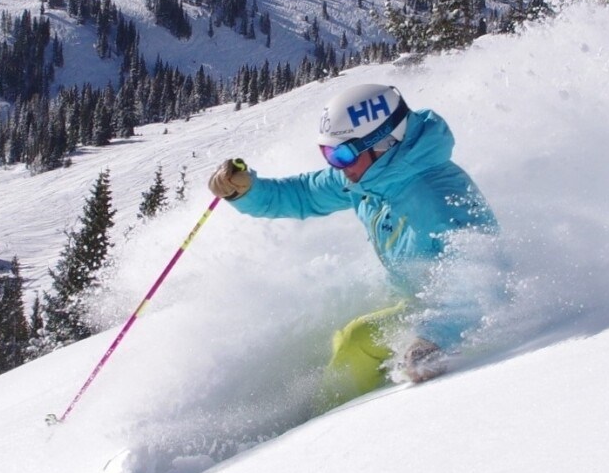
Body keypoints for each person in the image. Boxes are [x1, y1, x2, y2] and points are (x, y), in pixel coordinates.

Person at [207, 79, 499, 397]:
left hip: (451, 313)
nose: (336, 166)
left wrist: (434, 336)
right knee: (335, 338)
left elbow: (483, 276)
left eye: (342, 154)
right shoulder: (368, 176)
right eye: (327, 153)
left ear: (385, 141)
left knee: (355, 340)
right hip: (412, 297)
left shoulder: (439, 198)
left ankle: (328, 423)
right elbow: (304, 194)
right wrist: (248, 191)